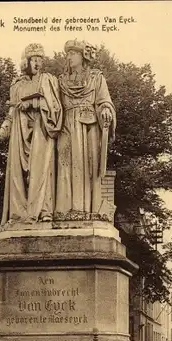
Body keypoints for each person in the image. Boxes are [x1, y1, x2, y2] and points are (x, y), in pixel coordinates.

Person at [0, 43, 62, 225]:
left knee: (42, 172)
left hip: (42, 132)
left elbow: (55, 107)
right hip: (20, 135)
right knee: (18, 176)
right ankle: (19, 215)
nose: (37, 63)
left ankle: (44, 211)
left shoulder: (48, 80)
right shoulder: (17, 85)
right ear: (26, 62)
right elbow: (11, 115)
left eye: (40, 60)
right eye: (34, 59)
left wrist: (32, 104)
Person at [55, 40, 116, 220]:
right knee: (65, 164)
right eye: (68, 54)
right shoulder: (61, 81)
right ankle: (65, 210)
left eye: (73, 53)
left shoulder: (96, 77)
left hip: (88, 127)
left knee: (89, 167)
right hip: (66, 126)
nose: (69, 57)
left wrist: (105, 109)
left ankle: (89, 209)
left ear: (83, 56)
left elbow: (105, 100)